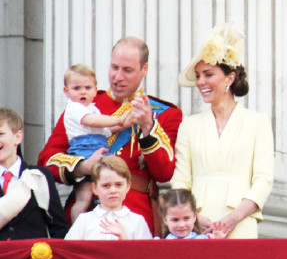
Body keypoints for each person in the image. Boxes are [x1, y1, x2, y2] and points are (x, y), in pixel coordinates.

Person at [39, 37, 182, 236]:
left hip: (134, 214)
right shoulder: (83, 105)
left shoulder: (164, 113)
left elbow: (164, 173)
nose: (118, 77)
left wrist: (148, 127)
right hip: (88, 211)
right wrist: (84, 166)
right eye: (114, 68)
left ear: (144, 69)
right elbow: (47, 161)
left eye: (127, 70)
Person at [171, 22, 274, 239]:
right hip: (198, 225)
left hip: (242, 222)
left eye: (208, 74)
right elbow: (180, 181)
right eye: (198, 76)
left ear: (229, 78)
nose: (200, 82)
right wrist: (193, 219)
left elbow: (264, 180)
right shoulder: (189, 125)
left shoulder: (257, 122)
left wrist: (235, 217)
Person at [62, 64, 131, 223]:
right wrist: (119, 119)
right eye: (77, 88)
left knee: (107, 191)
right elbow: (91, 121)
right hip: (84, 150)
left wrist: (125, 123)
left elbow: (105, 131)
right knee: (83, 199)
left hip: (98, 146)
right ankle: (76, 230)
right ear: (67, 91)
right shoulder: (74, 108)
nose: (83, 92)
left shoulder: (92, 108)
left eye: (87, 87)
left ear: (95, 90)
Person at [0, 108, 69, 240]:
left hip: (33, 258)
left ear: (18, 137)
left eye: (1, 134)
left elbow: (58, 227)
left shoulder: (40, 176)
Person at [65, 156, 152, 240]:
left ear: (128, 186)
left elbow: (145, 253)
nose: (113, 190)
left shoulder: (137, 221)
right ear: (95, 188)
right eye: (106, 185)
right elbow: (69, 251)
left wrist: (125, 239)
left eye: (119, 185)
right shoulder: (84, 220)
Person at [158, 189, 228, 239]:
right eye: (175, 220)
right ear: (165, 220)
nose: (181, 225)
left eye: (186, 218)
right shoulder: (158, 244)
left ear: (194, 217)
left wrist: (217, 242)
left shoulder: (206, 240)